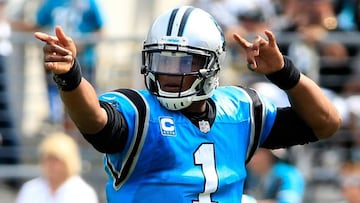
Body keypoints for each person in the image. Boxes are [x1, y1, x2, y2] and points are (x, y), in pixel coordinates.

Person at [33, 5, 341, 203]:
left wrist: (284, 73)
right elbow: (95, 121)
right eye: (161, 60)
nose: (168, 73)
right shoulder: (140, 112)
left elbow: (325, 123)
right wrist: (71, 79)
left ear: (212, 65)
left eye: (182, 64)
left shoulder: (240, 111)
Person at [11, 0, 105, 125]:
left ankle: (78, 138)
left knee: (82, 104)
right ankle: (61, 131)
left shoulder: (89, 3)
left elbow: (101, 30)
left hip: (84, 62)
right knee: (57, 103)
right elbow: (37, 25)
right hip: (56, 61)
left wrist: (81, 45)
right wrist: (10, 24)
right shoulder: (52, 2)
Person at [15, 132, 98, 203]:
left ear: (68, 162)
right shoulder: (30, 189)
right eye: (47, 159)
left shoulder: (83, 192)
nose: (50, 165)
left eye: (56, 160)